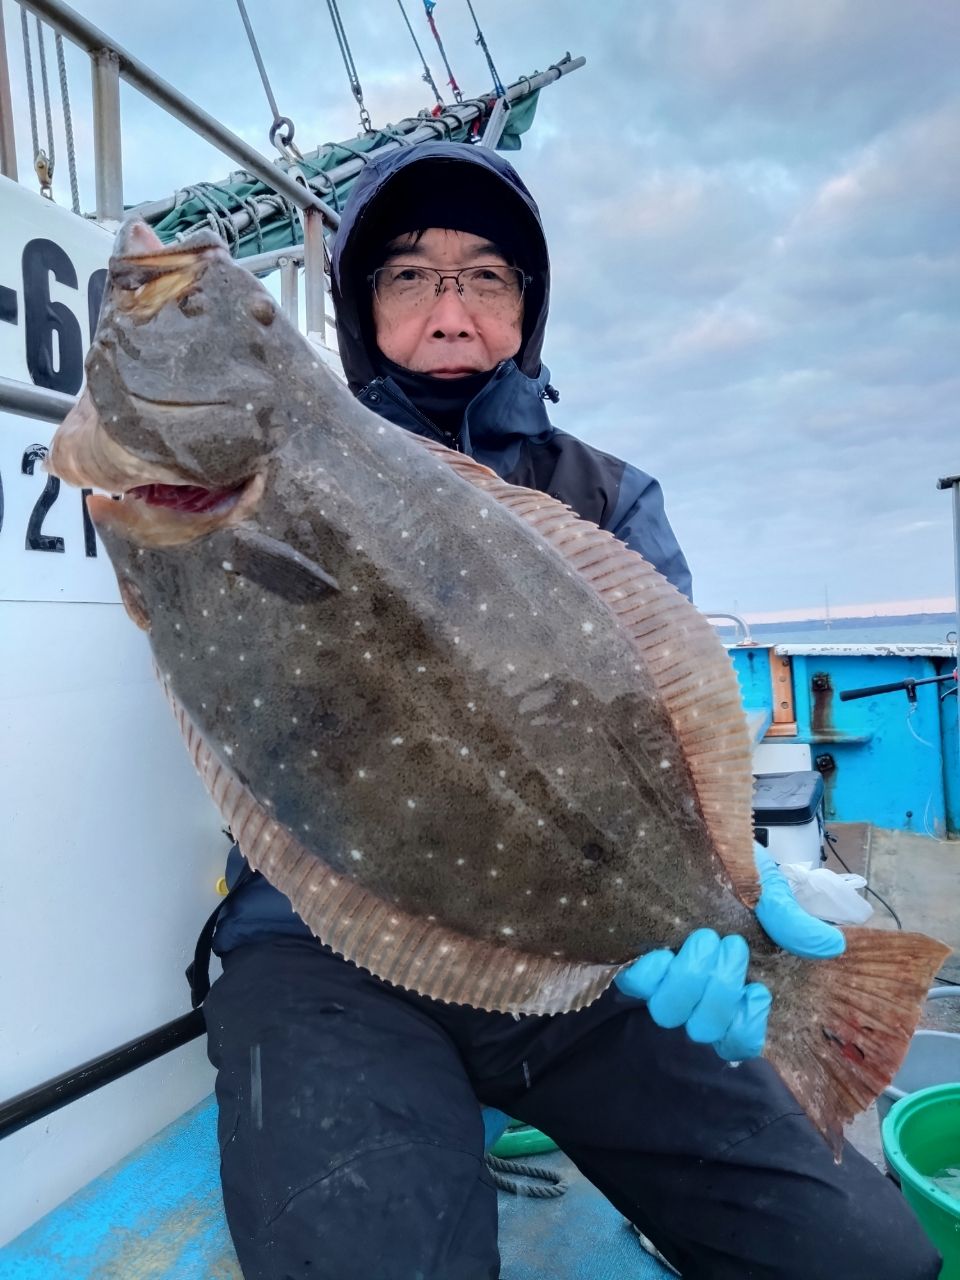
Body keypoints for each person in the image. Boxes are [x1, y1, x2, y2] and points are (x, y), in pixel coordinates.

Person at [200, 142, 940, 1280]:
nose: (451, 310)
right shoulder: (271, 480)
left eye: (487, 276)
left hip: (580, 955)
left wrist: (732, 886)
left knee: (862, 1258)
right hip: (321, 945)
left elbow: (669, 739)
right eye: (408, 274)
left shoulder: (607, 498)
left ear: (526, 311)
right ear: (356, 310)